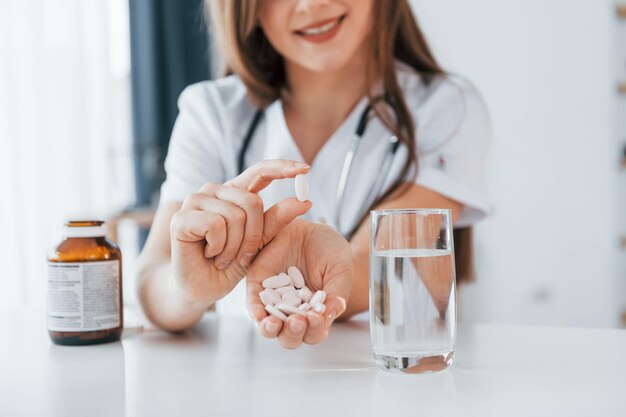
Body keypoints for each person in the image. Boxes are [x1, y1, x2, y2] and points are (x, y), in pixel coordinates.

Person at [135, 0, 491, 349]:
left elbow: (377, 259)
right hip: (251, 390)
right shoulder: (211, 112)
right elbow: (152, 278)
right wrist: (188, 289)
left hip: (395, 380)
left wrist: (309, 286)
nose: (312, 4)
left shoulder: (446, 106)